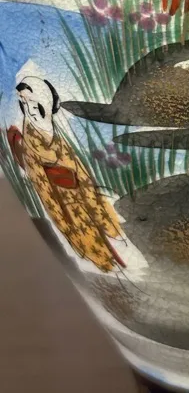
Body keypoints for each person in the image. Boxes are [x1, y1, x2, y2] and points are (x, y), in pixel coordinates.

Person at [8, 76, 127, 273]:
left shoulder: (53, 129)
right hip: (60, 196)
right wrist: (57, 206)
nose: (31, 110)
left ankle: (115, 254)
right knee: (81, 229)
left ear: (47, 100)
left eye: (34, 103)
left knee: (100, 221)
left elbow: (76, 164)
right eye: (25, 104)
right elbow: (40, 180)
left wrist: (87, 188)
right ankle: (103, 262)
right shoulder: (31, 138)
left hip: (79, 188)